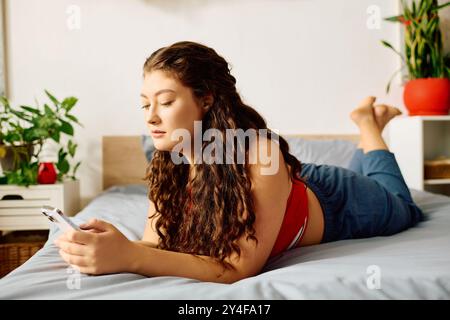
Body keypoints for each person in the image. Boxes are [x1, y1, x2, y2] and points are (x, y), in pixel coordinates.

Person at [54, 41, 424, 284]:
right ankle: (367, 127)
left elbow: (236, 268)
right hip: (280, 188)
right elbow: (155, 245)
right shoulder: (168, 163)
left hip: (335, 201)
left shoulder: (261, 152)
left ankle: (369, 126)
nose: (150, 117)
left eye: (165, 102)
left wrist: (130, 257)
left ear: (207, 99)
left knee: (404, 206)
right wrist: (115, 244)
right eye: (144, 104)